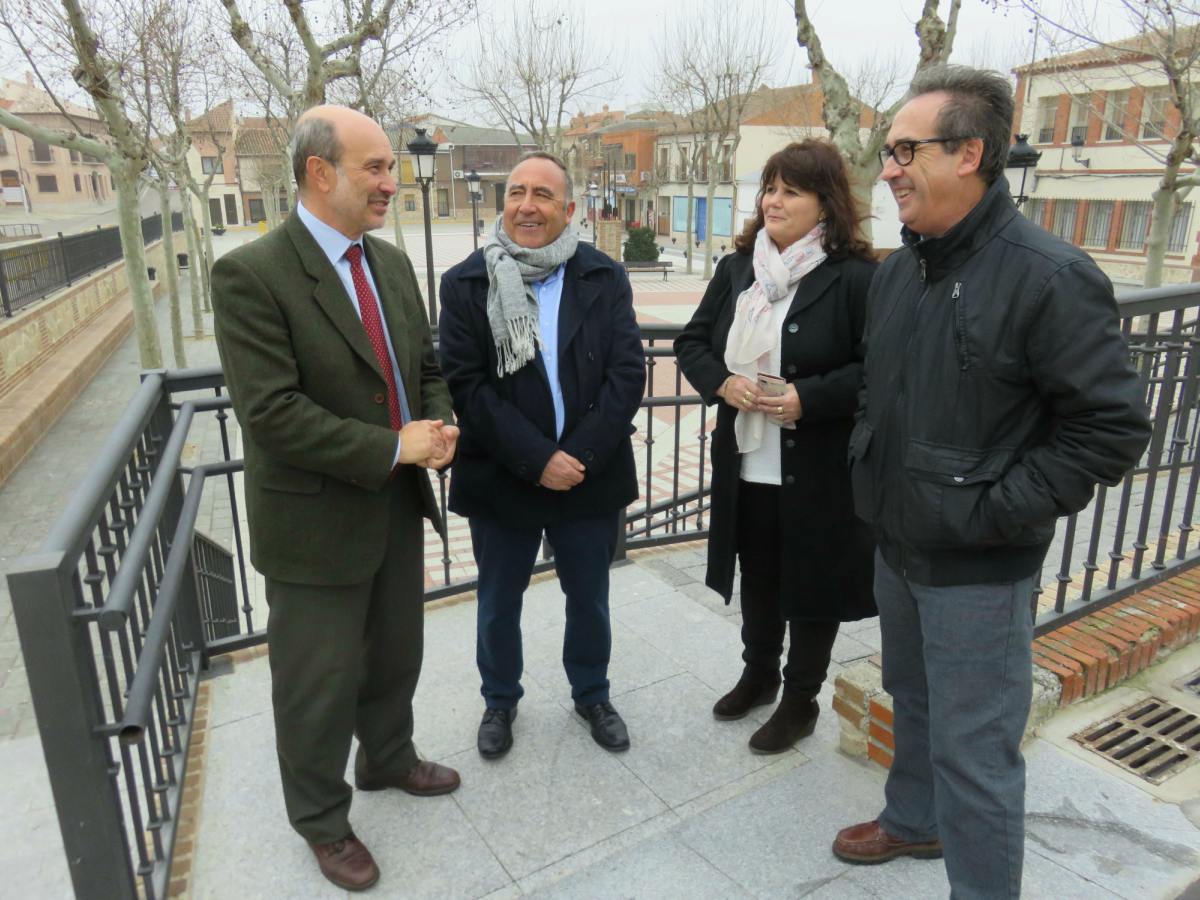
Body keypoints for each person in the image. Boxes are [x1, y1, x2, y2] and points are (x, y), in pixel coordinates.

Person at [834, 66, 1151, 898]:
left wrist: (993, 511)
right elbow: (880, 388)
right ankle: (913, 821)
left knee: (976, 756)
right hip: (898, 549)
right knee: (911, 697)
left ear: (970, 152)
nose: (889, 167)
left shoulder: (1048, 275)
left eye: (907, 149)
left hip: (977, 568)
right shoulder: (902, 272)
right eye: (888, 149)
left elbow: (1111, 428)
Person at [211, 105, 461, 892]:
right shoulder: (251, 274)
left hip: (393, 503)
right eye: (377, 168)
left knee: (396, 652)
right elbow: (272, 413)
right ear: (321, 173)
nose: (394, 182)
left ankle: (387, 758)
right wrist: (392, 445)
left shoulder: (386, 264)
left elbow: (424, 364)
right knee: (315, 682)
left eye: (392, 166)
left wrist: (440, 419)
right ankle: (321, 820)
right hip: (313, 520)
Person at [438, 151, 645, 760]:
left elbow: (627, 373)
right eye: (516, 192)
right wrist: (538, 460)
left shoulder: (603, 276)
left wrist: (574, 456)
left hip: (589, 473)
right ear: (504, 203)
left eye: (543, 195)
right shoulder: (467, 283)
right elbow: (467, 387)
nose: (527, 205)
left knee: (590, 598)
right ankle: (499, 700)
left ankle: (592, 693)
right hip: (504, 475)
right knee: (499, 601)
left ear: (569, 209)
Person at [674, 140, 877, 753]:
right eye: (769, 188)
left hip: (819, 469)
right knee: (758, 572)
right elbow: (692, 344)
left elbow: (878, 370)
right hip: (746, 459)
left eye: (791, 190)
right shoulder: (740, 270)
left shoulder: (858, 278)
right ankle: (759, 674)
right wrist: (724, 382)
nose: (774, 201)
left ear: (826, 204)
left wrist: (807, 399)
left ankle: (800, 699)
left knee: (812, 586)